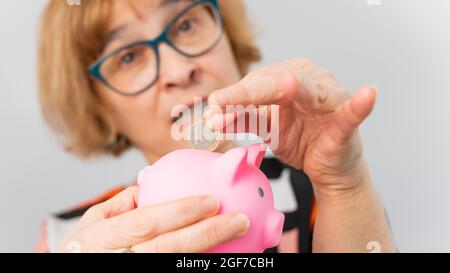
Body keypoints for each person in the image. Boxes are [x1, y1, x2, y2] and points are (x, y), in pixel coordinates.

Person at [35, 0, 395, 253]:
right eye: (128, 57)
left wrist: (343, 187)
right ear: (98, 108)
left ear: (229, 38)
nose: (179, 70)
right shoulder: (67, 238)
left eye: (186, 24)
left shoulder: (316, 193)